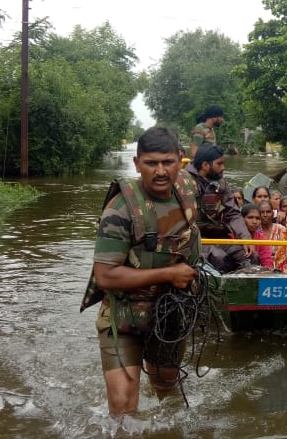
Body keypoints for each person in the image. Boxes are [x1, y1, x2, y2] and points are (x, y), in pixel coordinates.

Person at [83, 126, 201, 415]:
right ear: (137, 164)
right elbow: (106, 275)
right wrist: (169, 274)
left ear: (180, 160)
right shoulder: (121, 209)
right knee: (123, 407)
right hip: (124, 317)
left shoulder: (187, 187)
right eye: (150, 163)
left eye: (167, 162)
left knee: (167, 388)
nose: (160, 171)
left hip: (168, 311)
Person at [183, 144, 252, 273]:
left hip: (218, 236)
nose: (223, 168)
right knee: (219, 259)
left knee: (249, 256)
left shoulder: (221, 184)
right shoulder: (182, 182)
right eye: (219, 164)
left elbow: (233, 213)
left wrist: (245, 237)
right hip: (192, 240)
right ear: (205, 166)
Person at [241, 202, 274, 267]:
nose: (254, 222)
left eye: (257, 218)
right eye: (250, 218)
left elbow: (267, 262)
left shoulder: (262, 238)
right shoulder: (233, 235)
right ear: (242, 219)